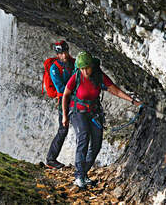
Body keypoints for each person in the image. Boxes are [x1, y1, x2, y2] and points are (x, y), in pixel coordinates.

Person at [61, 51, 142, 188]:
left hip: (94, 113)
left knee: (97, 144)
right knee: (83, 138)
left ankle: (83, 173)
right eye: (82, 68)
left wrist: (133, 101)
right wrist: (64, 115)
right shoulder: (77, 77)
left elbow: (115, 90)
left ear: (92, 65)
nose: (85, 71)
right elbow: (65, 96)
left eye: (87, 67)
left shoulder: (99, 76)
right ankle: (79, 176)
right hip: (77, 112)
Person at [45, 40, 75, 169]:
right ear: (57, 54)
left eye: (65, 52)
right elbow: (60, 88)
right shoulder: (54, 69)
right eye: (61, 53)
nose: (64, 55)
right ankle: (51, 159)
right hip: (65, 100)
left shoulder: (73, 63)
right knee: (63, 130)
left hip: (76, 98)